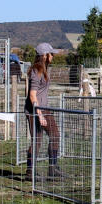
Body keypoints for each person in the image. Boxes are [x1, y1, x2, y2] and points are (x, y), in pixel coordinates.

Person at [25, 43, 64, 181]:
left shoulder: (44, 69)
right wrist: (39, 114)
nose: (53, 56)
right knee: (37, 140)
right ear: (44, 55)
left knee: (55, 135)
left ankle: (52, 168)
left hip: (45, 108)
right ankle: (30, 172)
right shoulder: (36, 71)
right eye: (51, 54)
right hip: (34, 110)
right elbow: (32, 95)